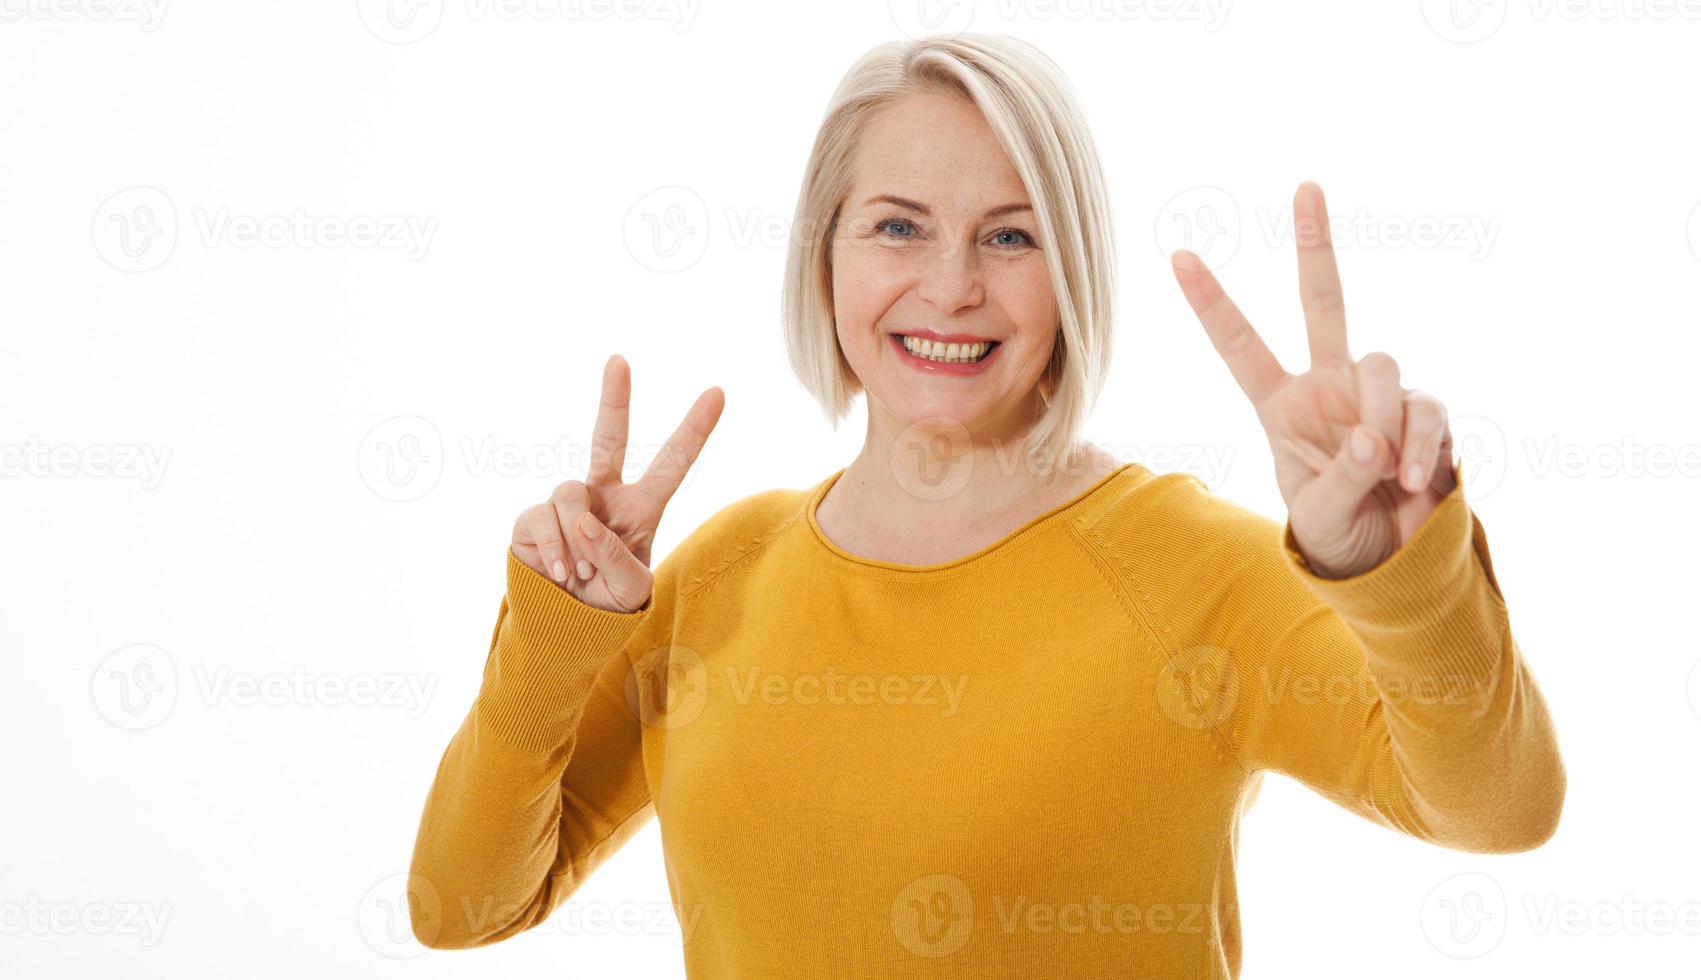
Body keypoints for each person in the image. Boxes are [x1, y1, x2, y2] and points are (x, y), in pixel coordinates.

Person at [406, 33, 1565, 977]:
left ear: (1072, 280)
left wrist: (1406, 582)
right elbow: (460, 906)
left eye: (1010, 236)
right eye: (898, 224)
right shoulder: (723, 570)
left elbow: (1499, 811)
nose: (951, 285)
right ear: (827, 260)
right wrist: (550, 647)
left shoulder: (1190, 568)